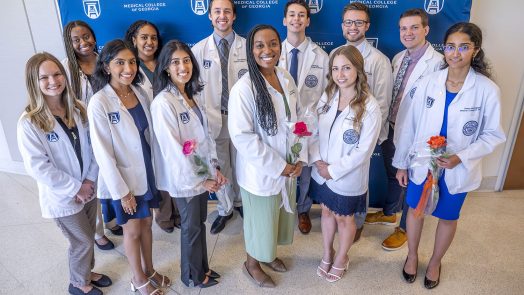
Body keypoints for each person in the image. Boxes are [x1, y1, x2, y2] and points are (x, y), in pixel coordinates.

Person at [393, 22, 506, 289]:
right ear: (444, 48)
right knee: (416, 212)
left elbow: (493, 134)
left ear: (475, 51)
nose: (455, 53)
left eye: (464, 47)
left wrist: (462, 157)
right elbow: (408, 124)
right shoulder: (428, 83)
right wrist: (401, 164)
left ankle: (434, 262)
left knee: (448, 216)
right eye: (450, 46)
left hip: (457, 168)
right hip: (422, 163)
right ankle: (411, 256)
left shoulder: (487, 90)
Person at [17, 52, 112, 295]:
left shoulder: (78, 108)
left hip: (88, 186)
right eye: (44, 77)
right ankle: (78, 283)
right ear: (33, 82)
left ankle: (87, 272)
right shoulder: (29, 122)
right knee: (80, 241)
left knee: (89, 235)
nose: (53, 81)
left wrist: (90, 180)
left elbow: (93, 148)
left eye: (57, 73)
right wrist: (75, 188)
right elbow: (38, 166)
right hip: (63, 195)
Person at [88, 39, 170, 295]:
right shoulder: (99, 102)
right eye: (120, 62)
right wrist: (122, 192)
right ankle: (138, 278)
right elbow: (103, 153)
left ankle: (150, 269)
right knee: (133, 230)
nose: (128, 68)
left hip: (145, 170)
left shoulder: (139, 92)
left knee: (146, 224)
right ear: (106, 67)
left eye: (132, 62)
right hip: (123, 178)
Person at [229, 24, 305, 288]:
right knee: (260, 222)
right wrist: (280, 166)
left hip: (288, 166)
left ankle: (268, 254)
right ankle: (252, 264)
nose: (267, 50)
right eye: (260, 45)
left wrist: (299, 157)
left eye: (273, 43)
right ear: (251, 50)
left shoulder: (285, 77)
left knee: (278, 218)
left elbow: (297, 120)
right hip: (262, 171)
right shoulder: (244, 88)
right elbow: (242, 137)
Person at [364, 8, 443, 251]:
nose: (408, 33)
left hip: (418, 135)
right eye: (403, 28)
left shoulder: (438, 64)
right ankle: (389, 213)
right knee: (393, 175)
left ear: (426, 30)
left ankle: (406, 229)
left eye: (414, 27)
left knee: (414, 180)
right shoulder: (399, 58)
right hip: (394, 127)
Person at [151, 40, 227, 288]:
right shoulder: (163, 102)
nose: (182, 66)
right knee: (191, 227)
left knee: (197, 224)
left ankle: (201, 267)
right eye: (175, 62)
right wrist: (200, 179)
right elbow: (173, 151)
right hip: (186, 179)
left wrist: (214, 168)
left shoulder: (191, 95)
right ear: (165, 68)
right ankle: (192, 275)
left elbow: (205, 138)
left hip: (203, 173)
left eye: (186, 60)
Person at [309, 45, 381, 283]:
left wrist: (332, 170)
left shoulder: (370, 106)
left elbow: (364, 150)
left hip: (346, 175)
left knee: (344, 218)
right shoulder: (328, 95)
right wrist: (318, 160)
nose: (340, 74)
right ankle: (327, 252)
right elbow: (315, 130)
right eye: (336, 68)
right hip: (321, 170)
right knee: (327, 212)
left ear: (358, 70)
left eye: (346, 68)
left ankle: (341, 257)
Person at [331, 2, 393, 241]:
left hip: (362, 130)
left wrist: (370, 139)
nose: (353, 27)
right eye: (349, 22)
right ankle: (337, 215)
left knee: (357, 176)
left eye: (358, 22)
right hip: (337, 125)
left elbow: (383, 103)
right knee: (338, 176)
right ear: (342, 25)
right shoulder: (335, 53)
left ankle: (356, 222)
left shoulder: (378, 60)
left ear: (367, 25)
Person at [62, 20, 121, 249]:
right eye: (76, 39)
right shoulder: (67, 68)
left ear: (94, 37)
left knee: (112, 174)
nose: (83, 43)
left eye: (86, 36)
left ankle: (113, 220)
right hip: (84, 132)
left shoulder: (104, 61)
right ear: (70, 43)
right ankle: (97, 233)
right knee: (92, 180)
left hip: (110, 126)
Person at [191, 0, 247, 234]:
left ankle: (243, 203)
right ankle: (225, 209)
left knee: (244, 164)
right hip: (213, 119)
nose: (222, 16)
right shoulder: (198, 50)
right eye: (217, 11)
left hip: (243, 119)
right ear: (210, 16)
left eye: (227, 11)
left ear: (234, 16)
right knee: (220, 166)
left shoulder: (248, 47)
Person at [124, 20, 182, 233]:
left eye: (153, 38)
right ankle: (164, 216)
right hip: (147, 131)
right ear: (134, 40)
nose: (150, 42)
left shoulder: (166, 63)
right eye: (144, 37)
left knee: (175, 168)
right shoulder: (130, 68)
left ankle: (178, 213)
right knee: (158, 175)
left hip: (172, 126)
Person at [279, 0, 329, 234]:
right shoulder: (273, 53)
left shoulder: (321, 56)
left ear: (308, 21)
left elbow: (329, 93)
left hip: (309, 126)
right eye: (292, 15)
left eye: (301, 15)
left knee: (305, 172)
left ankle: (303, 209)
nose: (296, 19)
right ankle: (281, 208)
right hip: (281, 125)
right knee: (282, 167)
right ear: (284, 20)